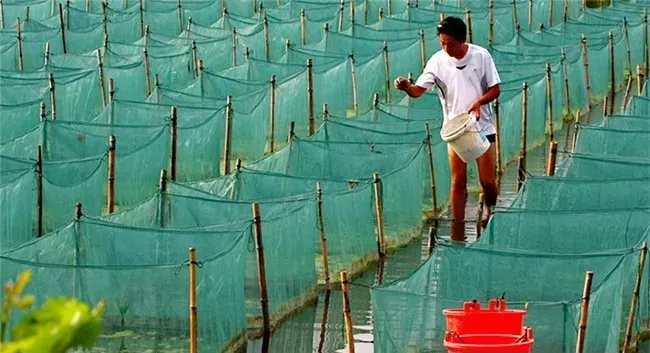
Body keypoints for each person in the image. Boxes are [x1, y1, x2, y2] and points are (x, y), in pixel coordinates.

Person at [394, 16, 501, 241]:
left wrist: (478, 103)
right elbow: (418, 91)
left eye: (450, 43)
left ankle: (491, 209)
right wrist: (406, 87)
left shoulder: (481, 56)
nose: (446, 48)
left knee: (487, 182)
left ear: (462, 40)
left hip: (481, 127)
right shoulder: (437, 61)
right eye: (442, 43)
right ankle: (458, 229)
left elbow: (495, 90)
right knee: (458, 181)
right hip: (455, 129)